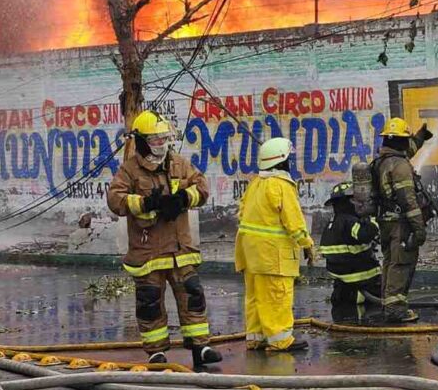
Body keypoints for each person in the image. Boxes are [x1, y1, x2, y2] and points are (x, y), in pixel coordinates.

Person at [107, 110, 222, 367]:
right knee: (150, 302)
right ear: (143, 141)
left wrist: (183, 198)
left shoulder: (179, 164)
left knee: (192, 296)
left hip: (180, 250)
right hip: (149, 252)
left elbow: (201, 187)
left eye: (165, 138)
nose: (162, 144)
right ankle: (156, 352)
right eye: (156, 140)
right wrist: (147, 202)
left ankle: (200, 347)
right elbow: (115, 200)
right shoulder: (129, 170)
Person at [234, 136, 315, 352]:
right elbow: (294, 220)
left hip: (250, 255)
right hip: (273, 256)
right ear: (281, 161)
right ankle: (280, 339)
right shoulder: (281, 185)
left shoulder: (255, 184)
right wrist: (306, 243)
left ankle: (256, 337)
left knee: (255, 297)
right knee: (277, 296)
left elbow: (241, 213)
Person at [372, 117, 432, 323]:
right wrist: (419, 229)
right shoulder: (399, 166)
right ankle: (395, 309)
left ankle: (388, 303)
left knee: (390, 262)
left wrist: (419, 137)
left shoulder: (383, 160)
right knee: (401, 263)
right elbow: (408, 201)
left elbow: (407, 149)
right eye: (406, 139)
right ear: (400, 141)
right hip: (400, 223)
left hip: (386, 222)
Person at [319, 181, 381, 323]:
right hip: (359, 274)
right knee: (384, 292)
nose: (358, 204)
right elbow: (364, 235)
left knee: (344, 292)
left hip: (340, 273)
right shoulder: (349, 221)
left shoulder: (334, 221)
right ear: (346, 202)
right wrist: (374, 220)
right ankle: (359, 296)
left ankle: (345, 294)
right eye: (355, 200)